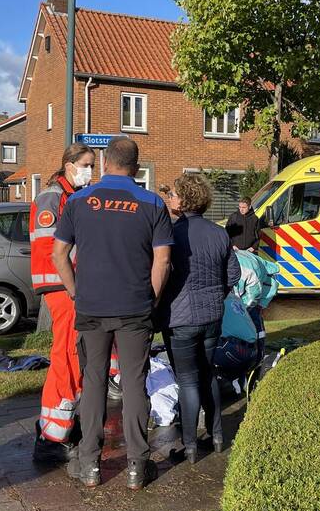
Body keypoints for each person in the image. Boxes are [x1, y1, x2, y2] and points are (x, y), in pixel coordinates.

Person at [52, 137, 173, 490]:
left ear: (104, 163)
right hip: (135, 307)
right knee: (134, 383)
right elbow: (163, 259)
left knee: (94, 381)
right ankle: (137, 466)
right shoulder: (151, 202)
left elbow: (59, 255)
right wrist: (150, 297)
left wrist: (76, 292)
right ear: (136, 167)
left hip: (91, 305)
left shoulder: (77, 201)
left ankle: (89, 464)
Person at [158, 174, 240, 463]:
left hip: (180, 319)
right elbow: (233, 274)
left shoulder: (170, 233)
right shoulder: (219, 233)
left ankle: (190, 445)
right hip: (212, 316)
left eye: (174, 195)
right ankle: (217, 435)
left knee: (188, 380)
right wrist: (218, 295)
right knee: (208, 374)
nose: (170, 199)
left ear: (183, 200)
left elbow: (162, 272)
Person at [30, 143, 96, 464]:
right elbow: (50, 249)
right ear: (69, 164)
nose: (90, 170)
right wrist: (73, 284)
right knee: (67, 354)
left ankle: (61, 426)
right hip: (62, 287)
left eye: (92, 164)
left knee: (73, 354)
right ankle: (52, 436)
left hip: (70, 286)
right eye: (86, 164)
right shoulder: (52, 198)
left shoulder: (70, 196)